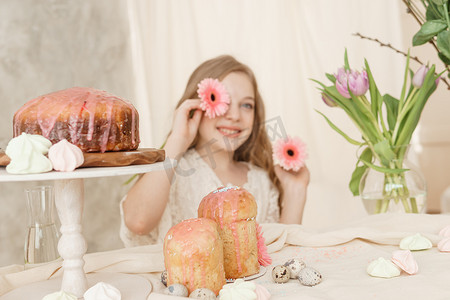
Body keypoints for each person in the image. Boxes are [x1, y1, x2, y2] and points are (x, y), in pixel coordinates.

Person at [120, 55, 309, 247]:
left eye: (246, 105)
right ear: (196, 106)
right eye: (221, 100)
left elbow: (281, 256)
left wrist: (296, 192)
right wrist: (177, 140)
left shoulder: (261, 181)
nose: (234, 116)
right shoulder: (171, 172)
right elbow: (139, 222)